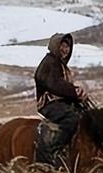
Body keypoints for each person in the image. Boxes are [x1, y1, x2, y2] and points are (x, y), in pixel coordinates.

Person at [34, 33, 88, 165]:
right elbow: (55, 84)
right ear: (55, 46)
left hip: (60, 102)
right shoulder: (50, 62)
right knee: (72, 119)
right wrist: (74, 91)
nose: (65, 49)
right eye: (62, 46)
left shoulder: (60, 64)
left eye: (67, 47)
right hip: (49, 104)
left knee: (87, 116)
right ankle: (54, 150)